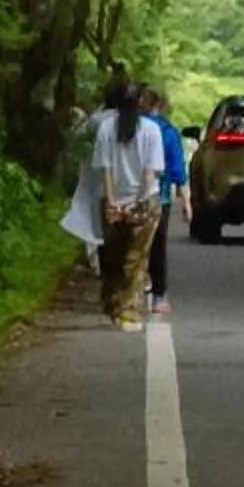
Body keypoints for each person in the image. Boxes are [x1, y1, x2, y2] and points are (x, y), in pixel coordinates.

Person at [73, 74, 166, 330]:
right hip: (145, 203)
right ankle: (125, 310)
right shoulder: (152, 130)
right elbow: (150, 173)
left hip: (114, 202)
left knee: (115, 257)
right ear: (141, 103)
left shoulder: (105, 128)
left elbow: (106, 170)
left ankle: (118, 305)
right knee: (135, 259)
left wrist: (114, 204)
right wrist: (136, 203)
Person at [139, 84, 190, 315]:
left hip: (128, 193)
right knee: (157, 245)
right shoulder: (168, 131)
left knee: (133, 245)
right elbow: (179, 171)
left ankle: (132, 293)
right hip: (160, 196)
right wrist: (187, 202)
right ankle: (159, 295)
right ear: (160, 105)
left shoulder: (130, 126)